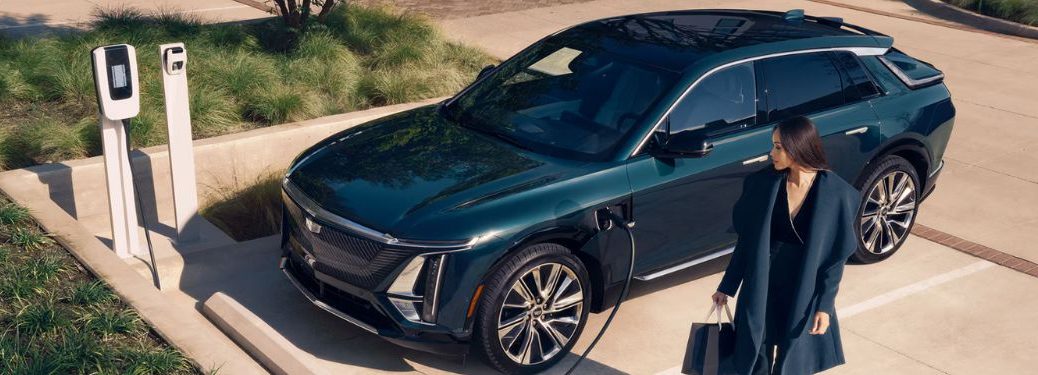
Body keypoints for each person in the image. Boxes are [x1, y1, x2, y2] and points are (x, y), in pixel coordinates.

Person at [709, 116, 862, 374]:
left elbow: (834, 259)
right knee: (755, 352)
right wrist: (728, 286)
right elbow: (747, 243)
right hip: (762, 281)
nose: (772, 153)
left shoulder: (837, 194)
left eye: (779, 147)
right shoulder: (762, 184)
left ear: (798, 147)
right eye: (773, 145)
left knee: (794, 357)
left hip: (803, 285)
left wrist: (824, 306)